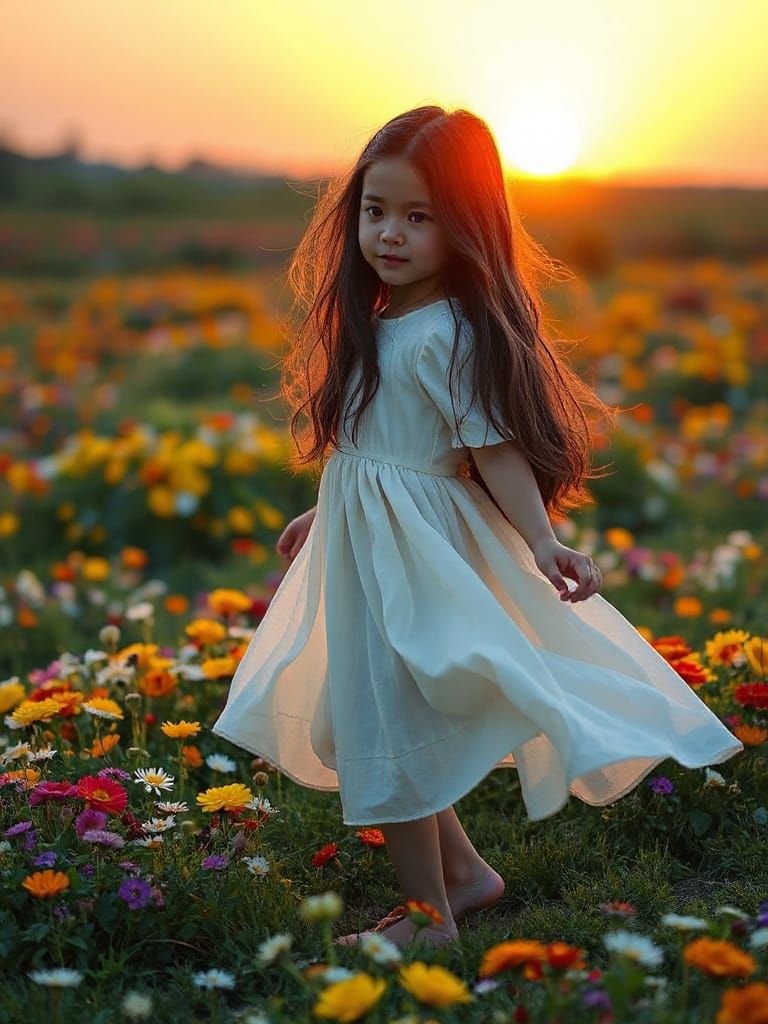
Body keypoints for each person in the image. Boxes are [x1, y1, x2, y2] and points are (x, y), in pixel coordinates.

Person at [211, 105, 744, 951]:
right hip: (367, 541)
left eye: (419, 217)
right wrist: (328, 505)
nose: (390, 233)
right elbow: (378, 445)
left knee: (390, 716)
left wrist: (540, 540)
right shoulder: (379, 317)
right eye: (376, 210)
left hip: (415, 557)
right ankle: (463, 875)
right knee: (368, 715)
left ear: (466, 226)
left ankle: (429, 923)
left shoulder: (446, 332)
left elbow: (489, 453)